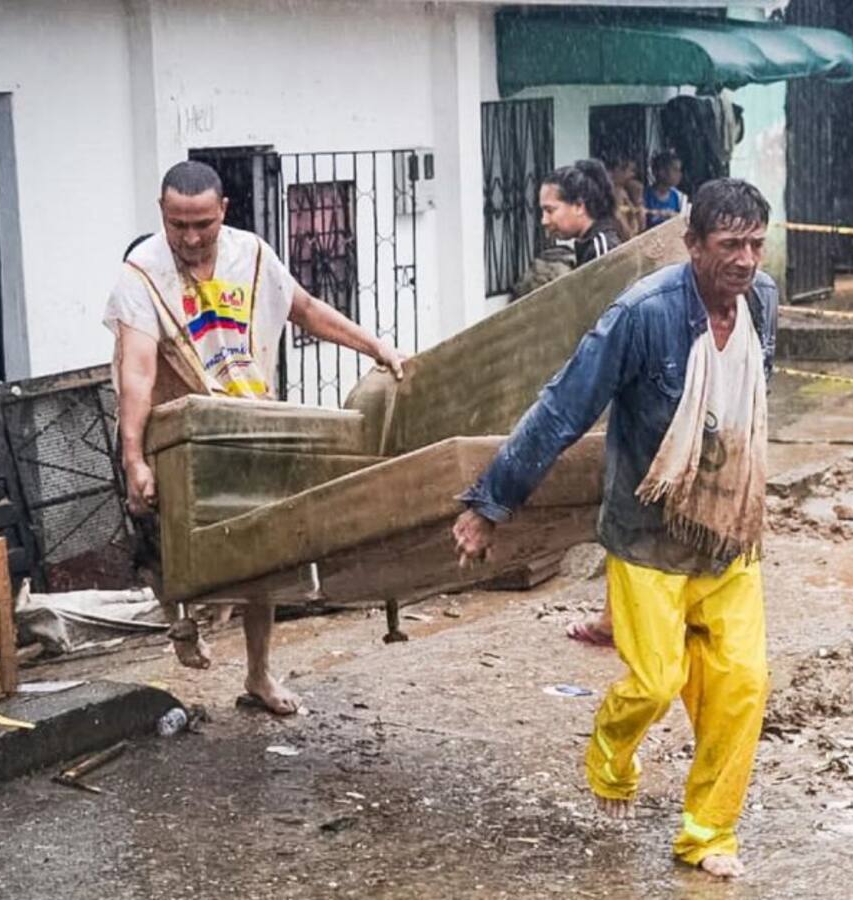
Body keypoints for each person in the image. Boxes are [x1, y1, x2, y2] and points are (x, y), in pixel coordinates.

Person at [452, 179, 778, 880]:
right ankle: (609, 749)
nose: (746, 261)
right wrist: (490, 504)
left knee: (744, 684)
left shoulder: (764, 303)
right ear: (692, 246)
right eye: (729, 246)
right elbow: (563, 410)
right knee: (657, 683)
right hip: (648, 536)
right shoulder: (642, 315)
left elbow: (747, 407)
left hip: (728, 532)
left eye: (755, 243)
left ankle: (706, 835)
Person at [104, 160, 404, 715]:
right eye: (177, 226)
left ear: (223, 212)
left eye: (202, 225)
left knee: (261, 551)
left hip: (247, 418)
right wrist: (135, 459)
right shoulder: (141, 273)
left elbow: (306, 310)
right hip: (176, 427)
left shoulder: (255, 256)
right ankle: (182, 623)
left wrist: (375, 346)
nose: (190, 239)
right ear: (161, 216)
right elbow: (138, 371)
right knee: (168, 545)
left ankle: (260, 676)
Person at [539, 159, 623, 267]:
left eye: (550, 210)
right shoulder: (589, 246)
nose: (544, 221)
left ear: (579, 207)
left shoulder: (602, 250)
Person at [644, 151, 689, 229]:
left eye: (679, 170)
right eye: (675, 170)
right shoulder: (644, 196)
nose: (679, 174)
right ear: (661, 171)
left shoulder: (680, 198)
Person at [606, 154, 645, 241]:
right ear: (615, 171)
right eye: (630, 171)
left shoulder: (625, 191)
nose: (632, 175)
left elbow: (641, 227)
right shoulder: (614, 193)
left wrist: (638, 200)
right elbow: (624, 230)